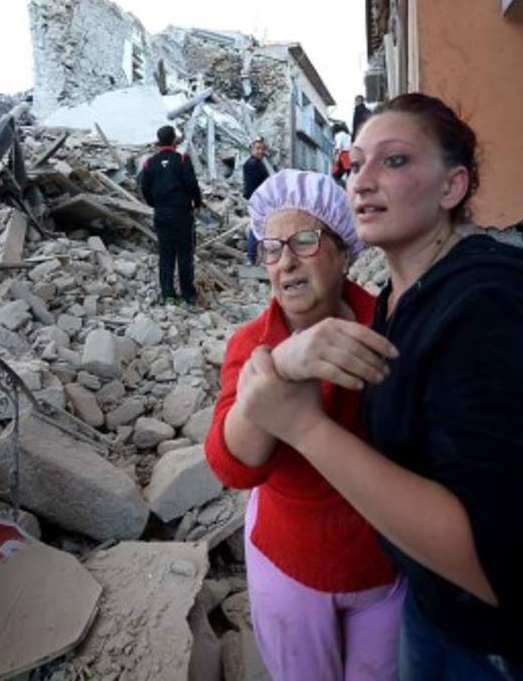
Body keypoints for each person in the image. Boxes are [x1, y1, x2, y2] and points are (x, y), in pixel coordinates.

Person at [235, 94, 523, 680]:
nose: (363, 179)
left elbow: (498, 562)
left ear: (452, 187)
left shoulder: (492, 303)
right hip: (442, 613)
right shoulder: (397, 303)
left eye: (394, 161)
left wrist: (303, 426)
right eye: (357, 161)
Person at [204, 169, 405, 681]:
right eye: (271, 248)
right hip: (290, 559)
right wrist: (283, 367)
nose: (286, 261)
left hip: (383, 563)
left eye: (305, 240)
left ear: (343, 251)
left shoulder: (390, 330)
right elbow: (231, 465)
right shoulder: (253, 343)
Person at [139, 124, 202, 306]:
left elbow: (145, 188)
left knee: (166, 254)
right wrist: (196, 203)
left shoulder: (149, 163)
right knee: (185, 253)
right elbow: (192, 185)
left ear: (159, 141)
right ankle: (188, 294)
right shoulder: (182, 159)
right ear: (174, 139)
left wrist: (155, 204)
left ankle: (168, 294)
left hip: (162, 214)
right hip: (182, 213)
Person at [242, 138, 271, 266]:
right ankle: (251, 257)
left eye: (262, 149)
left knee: (260, 227)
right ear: (251, 150)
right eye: (257, 148)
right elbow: (252, 187)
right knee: (256, 227)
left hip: (261, 200)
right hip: (257, 200)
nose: (260, 151)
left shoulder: (258, 163)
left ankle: (255, 257)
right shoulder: (251, 164)